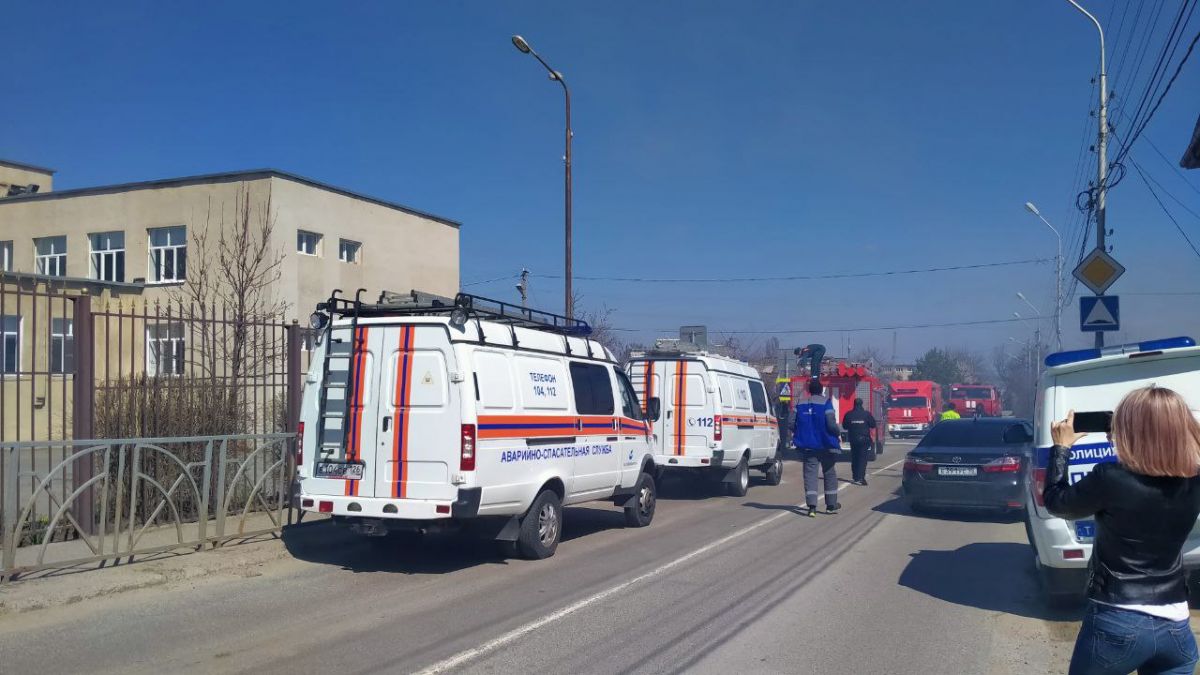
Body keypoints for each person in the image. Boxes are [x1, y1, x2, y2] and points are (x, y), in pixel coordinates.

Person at [1044, 386, 1200, 675]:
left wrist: (1061, 450)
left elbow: (1056, 502)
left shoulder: (1110, 478)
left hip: (1117, 623)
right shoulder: (1193, 481)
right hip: (1176, 626)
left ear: (1131, 430)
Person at [793, 380, 843, 516]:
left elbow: (792, 422)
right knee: (829, 473)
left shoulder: (800, 403)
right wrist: (838, 434)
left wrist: (800, 432)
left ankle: (812, 508)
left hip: (808, 446)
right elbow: (831, 424)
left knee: (810, 476)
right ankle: (831, 506)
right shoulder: (826, 403)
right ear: (821, 390)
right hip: (825, 444)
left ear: (809, 390)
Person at [842, 398, 877, 486]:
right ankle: (861, 478)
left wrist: (853, 425)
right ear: (862, 404)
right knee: (862, 459)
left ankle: (855, 476)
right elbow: (873, 424)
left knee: (854, 458)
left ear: (854, 404)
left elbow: (845, 426)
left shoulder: (849, 414)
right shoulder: (866, 414)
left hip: (853, 439)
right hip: (864, 440)